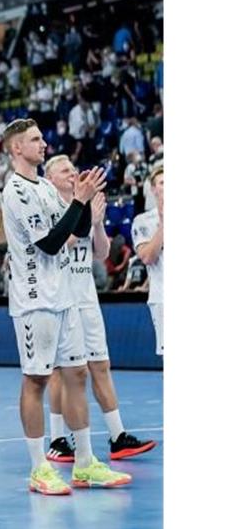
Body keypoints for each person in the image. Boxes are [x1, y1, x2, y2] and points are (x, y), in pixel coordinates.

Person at [0, 119, 131, 499]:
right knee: (36, 381)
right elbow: (51, 243)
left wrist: (85, 206)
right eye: (35, 140)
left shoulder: (43, 186)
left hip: (64, 296)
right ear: (16, 149)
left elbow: (74, 231)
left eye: (42, 138)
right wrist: (80, 200)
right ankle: (39, 467)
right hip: (35, 300)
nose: (43, 144)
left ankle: (86, 462)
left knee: (76, 375)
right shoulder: (17, 192)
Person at [42, 155, 156, 463]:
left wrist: (96, 224)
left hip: (87, 298)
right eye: (65, 170)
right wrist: (83, 216)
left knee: (101, 366)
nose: (73, 174)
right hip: (57, 300)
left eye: (73, 169)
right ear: (50, 178)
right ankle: (57, 439)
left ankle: (118, 437)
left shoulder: (87, 209)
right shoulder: (48, 206)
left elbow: (100, 254)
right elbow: (56, 245)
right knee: (61, 372)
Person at [132, 166, 164, 356]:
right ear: (153, 189)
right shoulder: (143, 220)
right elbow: (146, 257)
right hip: (163, 298)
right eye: (162, 183)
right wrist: (164, 224)